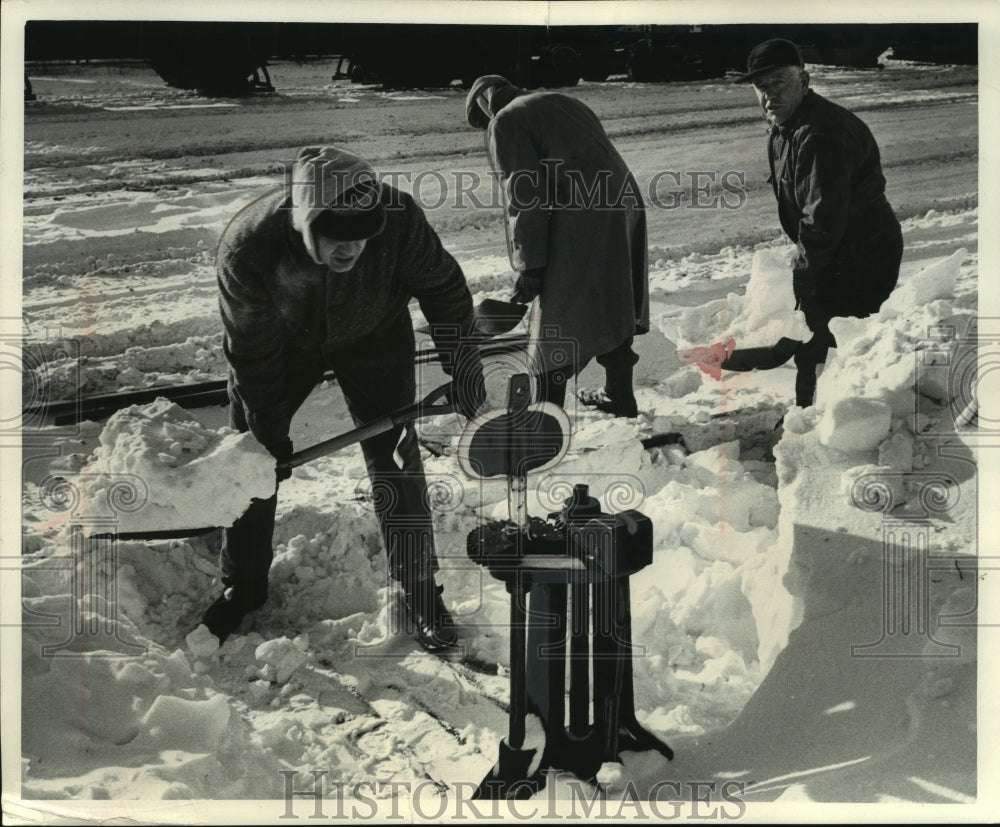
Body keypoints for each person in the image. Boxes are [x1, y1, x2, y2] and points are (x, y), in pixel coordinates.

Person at [205, 145, 485, 651]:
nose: (353, 248)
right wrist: (269, 433)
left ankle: (420, 586)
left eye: (363, 234)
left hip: (374, 332)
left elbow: (444, 288)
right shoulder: (249, 249)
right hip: (283, 347)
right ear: (305, 221)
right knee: (251, 457)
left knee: (395, 453)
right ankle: (242, 584)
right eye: (338, 234)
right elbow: (252, 355)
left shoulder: (399, 220)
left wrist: (463, 363)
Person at [465, 75, 649, 418]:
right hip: (622, 202)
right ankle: (619, 395)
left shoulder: (506, 119)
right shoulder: (561, 100)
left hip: (584, 216)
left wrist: (531, 267)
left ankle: (548, 417)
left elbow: (524, 197)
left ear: (485, 103)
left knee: (556, 321)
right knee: (613, 301)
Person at [737, 39, 903, 407]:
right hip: (835, 249)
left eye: (778, 83)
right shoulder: (785, 126)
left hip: (863, 255)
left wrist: (802, 274)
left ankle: (826, 420)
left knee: (831, 343)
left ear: (804, 80)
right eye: (761, 87)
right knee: (815, 338)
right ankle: (814, 415)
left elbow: (822, 219)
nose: (769, 95)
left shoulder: (822, 134)